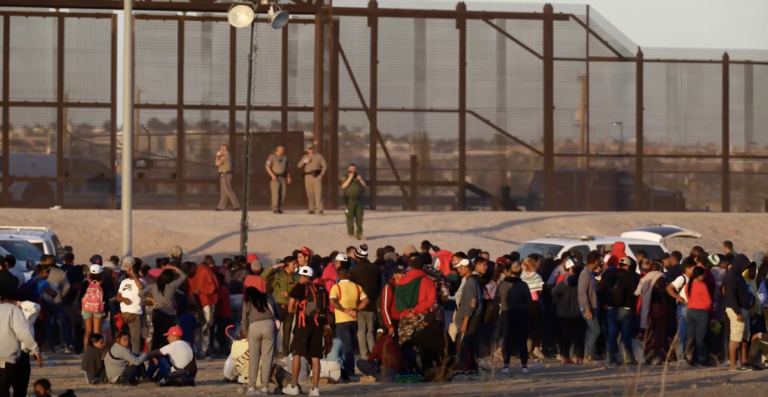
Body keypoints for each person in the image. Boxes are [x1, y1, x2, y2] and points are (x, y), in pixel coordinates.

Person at [284, 266, 328, 396]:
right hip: (317, 326)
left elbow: (290, 308)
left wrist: (297, 309)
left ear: (302, 276)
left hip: (302, 326)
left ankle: (294, 386)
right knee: (315, 357)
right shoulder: (320, 289)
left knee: (297, 355)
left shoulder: (300, 287)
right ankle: (315, 389)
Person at [0, 287, 42, 397]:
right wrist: (35, 351)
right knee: (20, 391)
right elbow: (23, 333)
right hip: (12, 360)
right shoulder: (13, 310)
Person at [329, 267, 369, 380]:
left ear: (338, 275)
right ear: (348, 275)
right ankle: (348, 369)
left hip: (341, 320)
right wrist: (355, 309)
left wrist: (343, 310)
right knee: (350, 344)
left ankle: (348, 370)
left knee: (345, 346)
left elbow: (332, 301)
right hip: (353, 320)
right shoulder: (356, 287)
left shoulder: (336, 287)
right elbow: (365, 300)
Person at [598, 256, 637, 365]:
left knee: (612, 334)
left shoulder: (610, 276)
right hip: (626, 309)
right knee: (626, 334)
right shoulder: (630, 277)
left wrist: (604, 303)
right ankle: (628, 358)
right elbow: (635, 293)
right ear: (628, 266)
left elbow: (599, 291)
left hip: (611, 308)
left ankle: (611, 358)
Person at [241, 286, 279, 395]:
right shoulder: (267, 297)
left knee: (254, 358)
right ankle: (265, 387)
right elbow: (276, 312)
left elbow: (244, 319)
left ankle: (252, 386)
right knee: (267, 358)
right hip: (269, 325)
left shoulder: (248, 301)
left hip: (254, 327)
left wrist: (246, 333)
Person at [139, 266, 186, 350]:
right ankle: (166, 354)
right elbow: (183, 276)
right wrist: (175, 269)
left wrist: (150, 300)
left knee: (156, 335)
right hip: (169, 315)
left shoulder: (153, 286)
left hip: (157, 312)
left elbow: (140, 294)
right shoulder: (171, 286)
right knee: (167, 336)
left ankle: (154, 356)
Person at [262, 256, 299, 359]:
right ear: (287, 265)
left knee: (287, 330)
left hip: (290, 306)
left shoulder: (296, 277)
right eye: (293, 264)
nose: (295, 266)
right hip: (278, 305)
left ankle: (285, 352)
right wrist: (275, 266)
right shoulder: (278, 275)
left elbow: (301, 289)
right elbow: (263, 276)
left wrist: (290, 294)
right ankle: (272, 351)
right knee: (274, 329)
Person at [348, 244, 381, 359]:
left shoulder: (354, 270)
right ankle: (373, 354)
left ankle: (364, 355)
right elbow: (378, 284)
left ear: (357, 256)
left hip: (359, 305)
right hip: (372, 304)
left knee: (361, 331)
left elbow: (352, 288)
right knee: (371, 331)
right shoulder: (375, 268)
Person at [498, 261, 531, 373]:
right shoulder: (523, 285)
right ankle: (524, 365)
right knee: (522, 340)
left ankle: (506, 365)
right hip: (521, 313)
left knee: (507, 339)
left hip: (506, 313)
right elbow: (529, 300)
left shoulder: (502, 284)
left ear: (509, 271)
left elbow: (497, 298)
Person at [551, 259, 585, 364]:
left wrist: (558, 300)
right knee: (579, 336)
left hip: (565, 312)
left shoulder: (565, 282)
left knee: (566, 336)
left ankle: (566, 356)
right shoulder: (582, 282)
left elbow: (554, 291)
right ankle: (580, 357)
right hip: (578, 312)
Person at [724, 254, 753, 371]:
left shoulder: (737, 275)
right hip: (736, 310)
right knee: (735, 337)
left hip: (742, 309)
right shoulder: (731, 276)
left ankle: (743, 363)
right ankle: (733, 364)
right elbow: (730, 296)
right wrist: (738, 313)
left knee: (744, 338)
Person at [455, 258, 483, 376]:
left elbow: (471, 303)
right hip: (474, 316)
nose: (459, 270)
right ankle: (472, 367)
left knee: (463, 343)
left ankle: (462, 368)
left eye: (461, 268)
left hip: (470, 317)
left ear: (467, 268)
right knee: (471, 343)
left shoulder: (470, 282)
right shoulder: (472, 280)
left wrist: (465, 321)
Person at [187, 261, 219, 359]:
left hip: (207, 302)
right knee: (197, 327)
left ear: (193, 267)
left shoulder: (204, 271)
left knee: (206, 326)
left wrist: (201, 291)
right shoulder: (191, 275)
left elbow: (213, 286)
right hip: (197, 304)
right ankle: (198, 349)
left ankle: (205, 350)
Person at [666, 260, 695, 362]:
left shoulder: (692, 279)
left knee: (687, 332)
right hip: (683, 306)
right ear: (688, 268)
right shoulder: (682, 278)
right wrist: (678, 298)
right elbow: (669, 288)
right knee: (682, 332)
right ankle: (679, 356)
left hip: (690, 307)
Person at [117, 260, 145, 354]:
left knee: (135, 338)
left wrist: (134, 275)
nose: (128, 272)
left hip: (135, 312)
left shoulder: (141, 281)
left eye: (129, 270)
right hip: (125, 313)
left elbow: (141, 288)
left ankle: (135, 357)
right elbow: (118, 296)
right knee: (125, 337)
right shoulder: (124, 282)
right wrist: (123, 299)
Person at [685, 266, 712, 366]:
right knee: (700, 337)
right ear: (700, 276)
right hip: (701, 312)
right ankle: (701, 358)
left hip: (690, 311)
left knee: (690, 336)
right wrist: (708, 308)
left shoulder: (688, 285)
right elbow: (708, 301)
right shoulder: (702, 285)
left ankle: (689, 356)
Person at [579, 251, 601, 365]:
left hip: (592, 306)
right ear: (596, 261)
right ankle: (588, 354)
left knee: (590, 330)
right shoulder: (585, 274)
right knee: (596, 330)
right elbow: (582, 292)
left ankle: (587, 355)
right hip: (587, 307)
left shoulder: (590, 273)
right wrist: (587, 308)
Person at [520, 257, 544, 360]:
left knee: (526, 327)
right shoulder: (537, 276)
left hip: (524, 304)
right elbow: (540, 291)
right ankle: (536, 347)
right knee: (536, 326)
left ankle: (526, 348)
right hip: (535, 303)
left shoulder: (521, 277)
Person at [79, 264, 106, 353]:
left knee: (87, 331)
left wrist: (80, 308)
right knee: (97, 331)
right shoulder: (103, 283)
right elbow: (106, 298)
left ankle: (87, 352)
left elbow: (80, 296)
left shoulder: (85, 282)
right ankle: (97, 352)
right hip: (98, 308)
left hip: (86, 308)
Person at [297, 144, 327, 215]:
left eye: (311, 148)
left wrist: (321, 174)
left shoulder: (318, 156)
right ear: (307, 150)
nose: (310, 150)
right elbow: (299, 165)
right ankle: (311, 209)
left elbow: (325, 166)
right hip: (308, 176)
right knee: (309, 193)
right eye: (309, 149)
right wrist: (304, 162)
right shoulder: (305, 157)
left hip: (316, 176)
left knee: (318, 193)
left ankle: (320, 209)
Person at [341, 163, 367, 240]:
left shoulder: (358, 177)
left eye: (354, 169)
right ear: (348, 169)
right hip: (350, 199)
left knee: (359, 217)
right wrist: (350, 178)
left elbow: (364, 185)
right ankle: (351, 233)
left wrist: (360, 179)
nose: (352, 170)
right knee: (350, 217)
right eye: (351, 169)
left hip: (359, 199)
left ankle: (359, 233)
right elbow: (343, 186)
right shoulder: (345, 176)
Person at [381, 263, 405, 341]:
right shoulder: (389, 287)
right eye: (401, 273)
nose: (403, 275)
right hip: (395, 321)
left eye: (404, 273)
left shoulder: (406, 286)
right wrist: (390, 325)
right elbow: (385, 308)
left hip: (405, 320)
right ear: (395, 275)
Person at [266, 145, 291, 214]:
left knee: (283, 192)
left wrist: (288, 176)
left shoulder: (284, 157)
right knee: (275, 192)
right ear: (278, 150)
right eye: (281, 150)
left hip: (283, 177)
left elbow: (287, 167)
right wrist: (272, 175)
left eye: (283, 150)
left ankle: (279, 207)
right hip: (275, 176)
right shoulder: (272, 157)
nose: (283, 151)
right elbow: (267, 166)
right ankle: (275, 207)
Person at [216, 144, 240, 211]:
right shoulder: (223, 156)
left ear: (225, 149)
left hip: (226, 174)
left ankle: (236, 205)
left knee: (228, 189)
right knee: (223, 191)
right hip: (222, 174)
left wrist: (217, 156)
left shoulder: (225, 155)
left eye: (222, 148)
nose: (220, 150)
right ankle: (221, 206)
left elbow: (217, 163)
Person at [214, 273, 232, 357]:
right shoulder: (225, 288)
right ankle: (224, 348)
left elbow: (219, 302)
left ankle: (223, 349)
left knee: (219, 333)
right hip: (225, 314)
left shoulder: (221, 289)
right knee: (223, 333)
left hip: (222, 314)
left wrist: (216, 314)